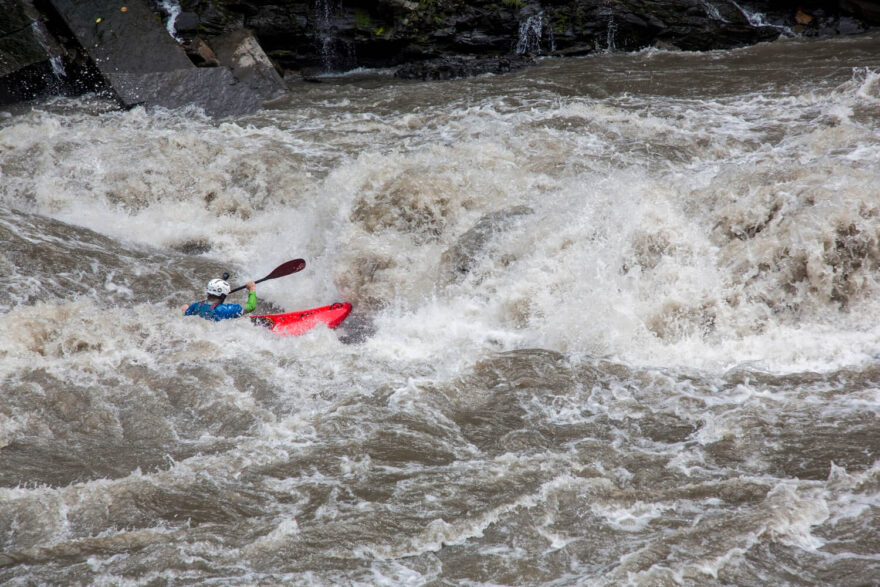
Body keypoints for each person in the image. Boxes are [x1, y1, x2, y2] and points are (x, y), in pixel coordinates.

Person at [181, 278, 257, 321]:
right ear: (223, 295)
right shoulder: (225, 309)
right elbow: (251, 306)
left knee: (185, 307)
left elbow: (185, 315)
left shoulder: (196, 306)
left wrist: (184, 310)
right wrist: (252, 289)